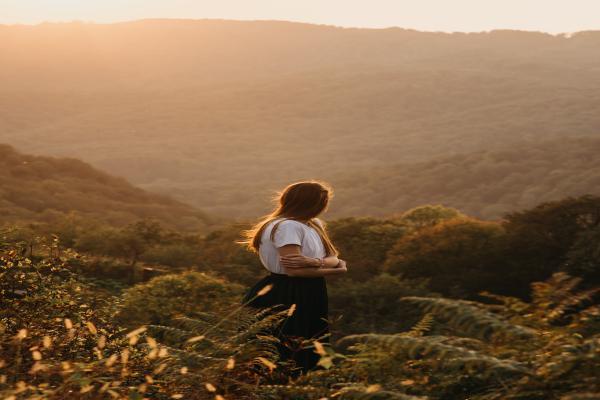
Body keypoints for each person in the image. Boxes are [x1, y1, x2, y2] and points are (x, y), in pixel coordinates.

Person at [239, 180, 347, 373]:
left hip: (311, 290)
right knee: (287, 351)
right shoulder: (288, 226)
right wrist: (335, 270)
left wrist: (315, 262)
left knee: (309, 345)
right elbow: (294, 270)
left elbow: (333, 256)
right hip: (287, 292)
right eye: (322, 201)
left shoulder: (314, 224)